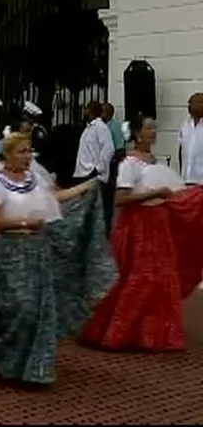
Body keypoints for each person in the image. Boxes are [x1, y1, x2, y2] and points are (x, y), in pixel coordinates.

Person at [0, 130, 114, 385]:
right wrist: (24, 222)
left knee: (36, 309)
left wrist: (86, 187)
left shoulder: (34, 180)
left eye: (29, 151)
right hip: (9, 253)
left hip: (36, 253)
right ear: (7, 155)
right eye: (22, 151)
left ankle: (25, 366)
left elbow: (55, 198)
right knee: (10, 308)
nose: (27, 156)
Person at [80, 114, 203, 351]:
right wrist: (155, 193)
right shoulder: (130, 163)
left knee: (162, 280)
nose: (153, 132)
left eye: (153, 128)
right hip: (138, 227)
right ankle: (121, 332)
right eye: (148, 128)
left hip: (158, 226)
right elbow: (121, 199)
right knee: (139, 280)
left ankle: (154, 334)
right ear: (137, 133)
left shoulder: (154, 161)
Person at [73, 101, 116, 232]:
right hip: (83, 173)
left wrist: (98, 169)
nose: (84, 112)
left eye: (86, 109)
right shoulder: (89, 127)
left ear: (91, 111)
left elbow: (109, 149)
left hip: (92, 174)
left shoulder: (100, 127)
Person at [178, 93, 203, 185]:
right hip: (186, 180)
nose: (190, 106)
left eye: (196, 103)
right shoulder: (185, 124)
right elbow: (182, 149)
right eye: (190, 103)